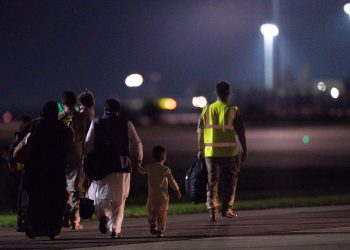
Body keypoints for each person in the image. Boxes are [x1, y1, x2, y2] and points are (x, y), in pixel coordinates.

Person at [86, 98, 143, 239]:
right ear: (119, 110)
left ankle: (102, 216)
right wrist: (138, 159)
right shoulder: (126, 124)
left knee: (98, 196)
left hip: (101, 165)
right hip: (121, 165)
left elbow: (88, 143)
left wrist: (86, 160)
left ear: (105, 109)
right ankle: (115, 230)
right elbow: (137, 143)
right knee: (119, 199)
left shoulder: (96, 123)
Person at [16, 101, 72, 239]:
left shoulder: (34, 125)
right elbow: (68, 149)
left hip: (34, 169)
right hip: (55, 170)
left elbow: (19, 141)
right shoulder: (63, 129)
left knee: (34, 199)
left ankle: (30, 222)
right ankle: (52, 229)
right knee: (55, 201)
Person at [197, 81, 247, 222]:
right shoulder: (233, 110)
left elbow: (200, 132)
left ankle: (213, 211)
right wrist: (245, 149)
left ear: (216, 93)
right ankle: (227, 209)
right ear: (229, 93)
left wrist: (200, 149)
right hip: (230, 153)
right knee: (230, 182)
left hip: (211, 153)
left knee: (212, 182)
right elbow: (241, 131)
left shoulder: (206, 110)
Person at [137, 146, 181, 238]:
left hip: (152, 195)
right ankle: (160, 231)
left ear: (153, 157)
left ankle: (152, 221)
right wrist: (177, 190)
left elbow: (140, 170)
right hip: (163, 197)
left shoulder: (149, 167)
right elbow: (172, 182)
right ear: (164, 158)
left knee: (151, 211)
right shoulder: (165, 169)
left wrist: (138, 163)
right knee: (162, 214)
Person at [59, 91, 86, 230]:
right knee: (75, 188)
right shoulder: (80, 117)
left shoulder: (59, 117)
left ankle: (63, 216)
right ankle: (74, 219)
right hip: (76, 155)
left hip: (61, 156)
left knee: (62, 187)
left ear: (62, 102)